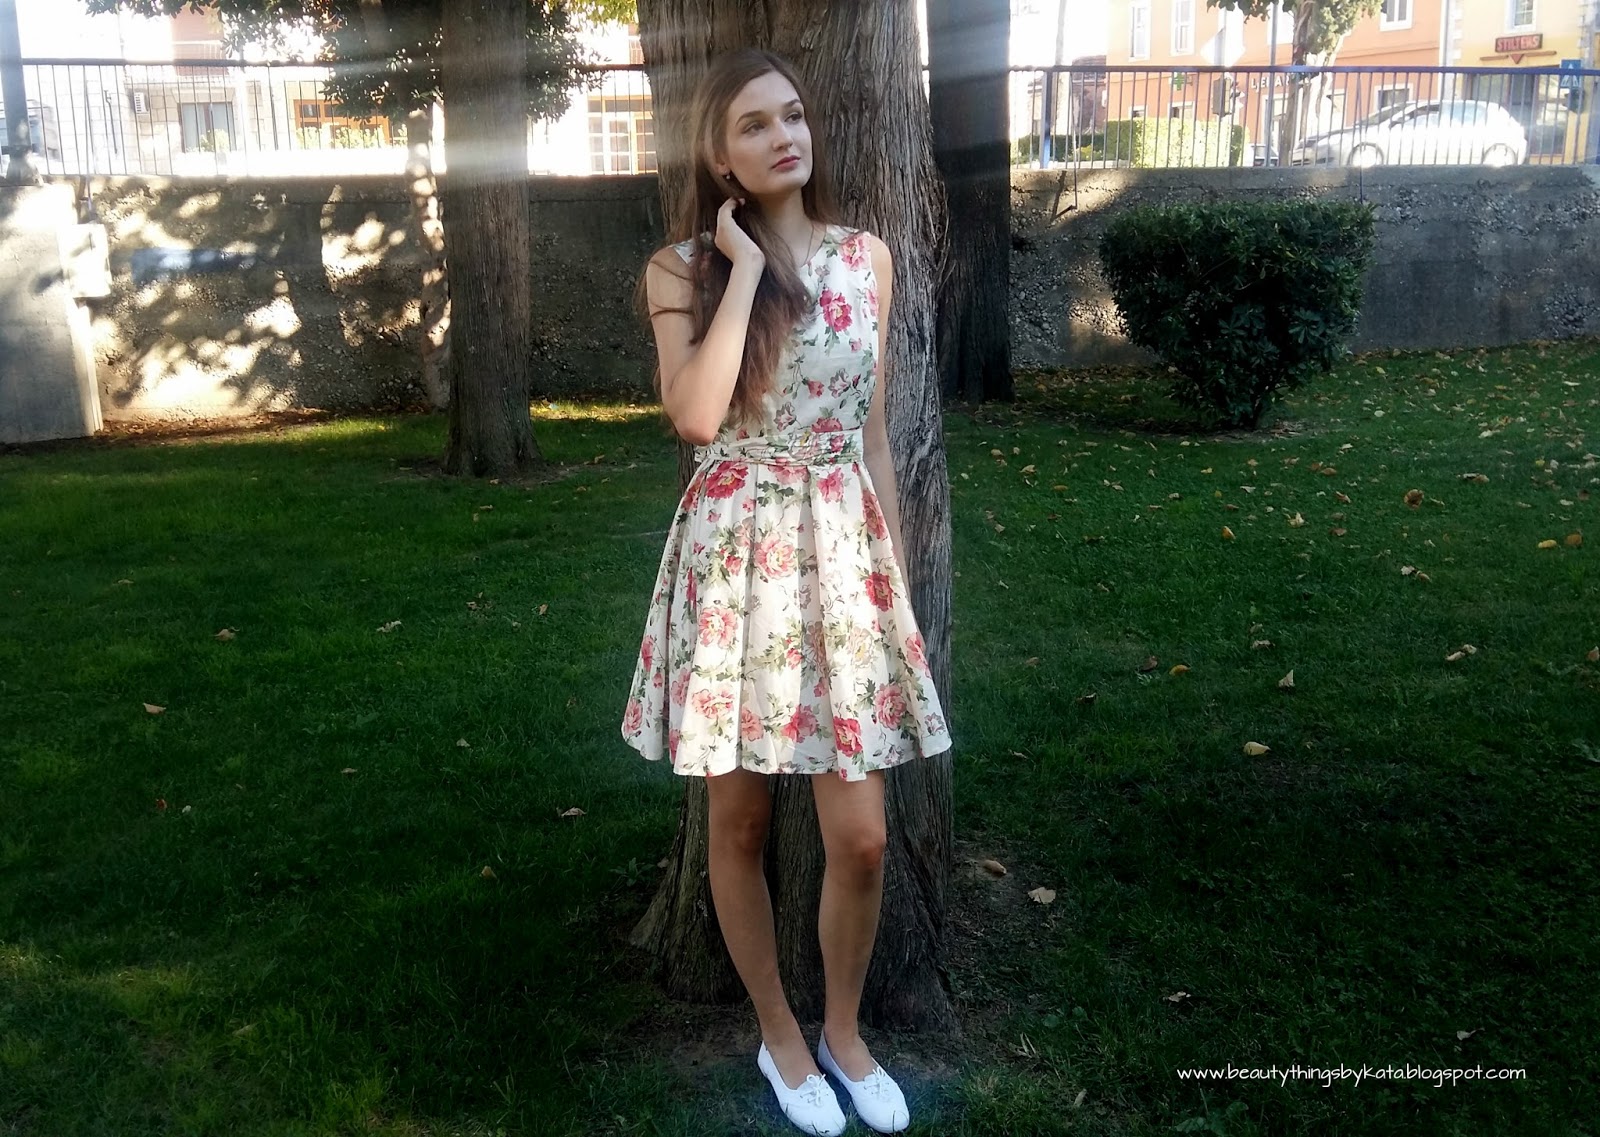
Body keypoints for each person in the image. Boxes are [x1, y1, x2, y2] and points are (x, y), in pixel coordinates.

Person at [619, 47, 952, 1137]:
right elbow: (696, 416)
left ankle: (845, 1032)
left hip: (841, 555)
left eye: (793, 115)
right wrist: (747, 269)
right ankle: (779, 1035)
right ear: (720, 157)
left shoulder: (867, 258)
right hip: (734, 560)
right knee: (742, 817)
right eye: (755, 125)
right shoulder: (682, 270)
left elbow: (871, 433)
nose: (784, 137)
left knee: (860, 836)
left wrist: (889, 588)